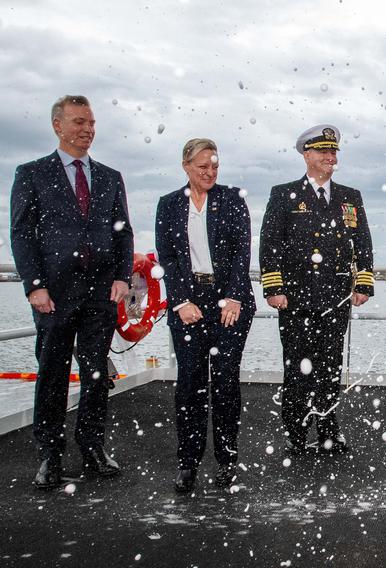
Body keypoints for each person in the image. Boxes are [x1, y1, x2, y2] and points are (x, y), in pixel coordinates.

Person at [9, 95, 133, 489]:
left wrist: (122, 277)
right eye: (79, 122)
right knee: (52, 375)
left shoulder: (111, 177)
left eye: (92, 122)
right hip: (55, 293)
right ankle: (50, 454)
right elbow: (21, 235)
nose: (88, 129)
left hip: (100, 293)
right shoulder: (31, 174)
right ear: (57, 126)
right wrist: (35, 286)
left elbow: (123, 233)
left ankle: (93, 448)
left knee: (96, 375)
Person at [259, 124, 374, 455]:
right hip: (295, 298)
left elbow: (362, 243)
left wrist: (363, 282)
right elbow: (271, 245)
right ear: (306, 155)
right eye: (323, 151)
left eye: (334, 151)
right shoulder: (284, 195)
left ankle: (327, 428)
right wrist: (274, 287)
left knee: (330, 365)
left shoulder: (349, 197)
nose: (330, 156)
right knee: (297, 366)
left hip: (336, 297)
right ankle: (296, 431)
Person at [155, 139, 255, 493]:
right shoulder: (168, 205)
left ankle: (227, 461)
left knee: (226, 382)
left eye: (215, 166)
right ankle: (188, 464)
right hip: (189, 305)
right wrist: (181, 302)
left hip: (229, 303)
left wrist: (232, 298)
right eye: (202, 167)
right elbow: (167, 257)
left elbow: (243, 250)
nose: (210, 173)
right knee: (190, 385)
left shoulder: (232, 199)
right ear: (186, 166)